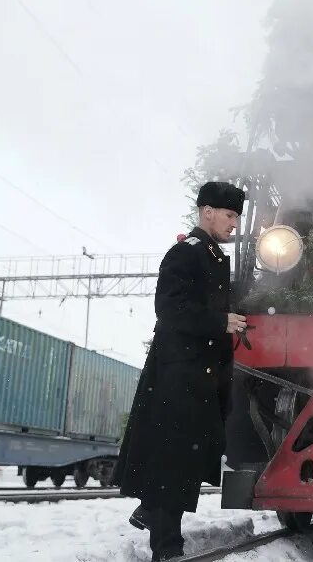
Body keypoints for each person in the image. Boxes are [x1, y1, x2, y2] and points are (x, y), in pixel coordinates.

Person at [113, 181, 248, 561]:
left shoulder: (214, 257)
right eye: (229, 215)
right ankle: (167, 548)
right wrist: (220, 322)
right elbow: (169, 309)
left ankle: (151, 510)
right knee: (174, 460)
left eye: (236, 216)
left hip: (200, 376)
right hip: (179, 374)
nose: (234, 223)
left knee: (185, 458)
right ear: (207, 211)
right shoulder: (185, 253)